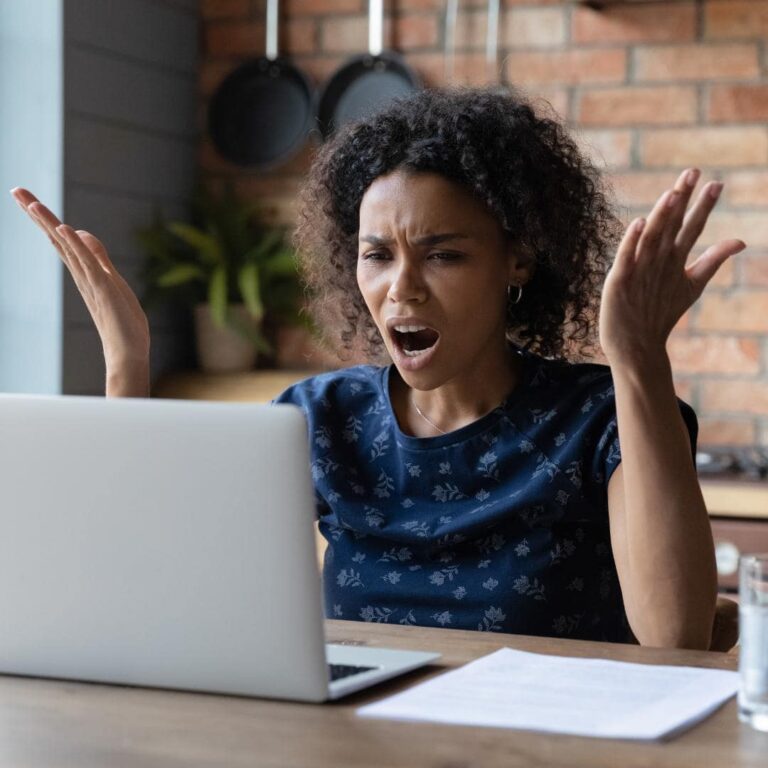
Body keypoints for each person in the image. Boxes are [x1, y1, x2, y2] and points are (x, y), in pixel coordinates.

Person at [11, 87, 745, 649]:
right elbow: (160, 587)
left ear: (517, 260)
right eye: (378, 254)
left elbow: (675, 637)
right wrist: (127, 364)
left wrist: (639, 357)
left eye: (444, 254)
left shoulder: (602, 416)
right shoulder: (321, 418)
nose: (403, 287)